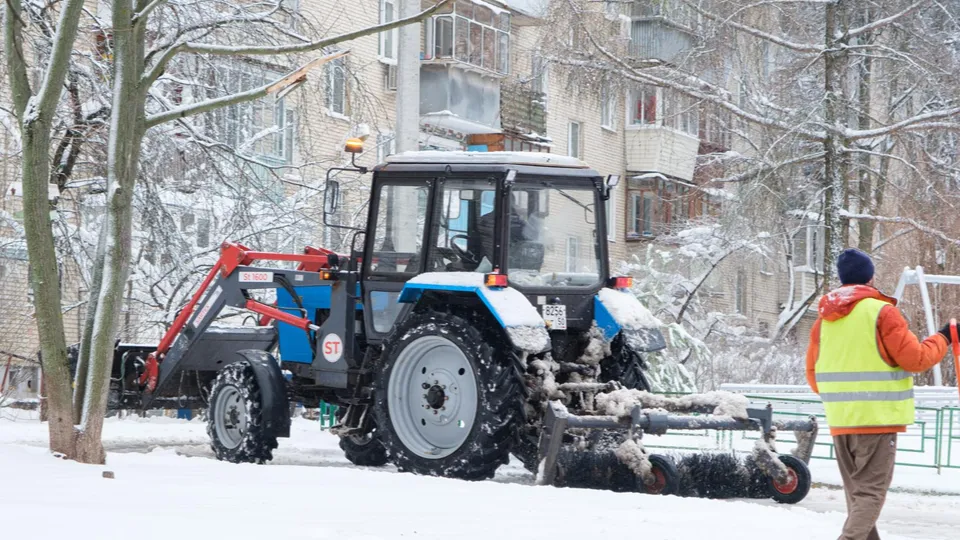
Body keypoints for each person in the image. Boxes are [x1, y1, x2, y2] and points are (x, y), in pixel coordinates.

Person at [806, 248, 951, 540]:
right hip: (877, 420)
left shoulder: (824, 321)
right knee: (870, 495)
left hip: (841, 420)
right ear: (870, 278)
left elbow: (813, 374)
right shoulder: (882, 312)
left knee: (858, 498)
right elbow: (916, 359)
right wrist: (944, 337)